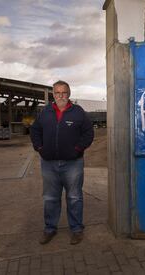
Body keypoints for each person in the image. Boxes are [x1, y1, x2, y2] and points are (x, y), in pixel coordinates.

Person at [30, 80, 94, 245]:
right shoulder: (45, 112)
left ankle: (77, 229)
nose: (61, 96)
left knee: (74, 197)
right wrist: (39, 147)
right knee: (50, 198)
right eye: (57, 93)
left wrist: (78, 149)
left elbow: (88, 133)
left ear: (69, 93)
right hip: (49, 164)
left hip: (73, 164)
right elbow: (35, 130)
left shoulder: (78, 112)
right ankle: (50, 229)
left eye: (63, 92)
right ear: (53, 94)